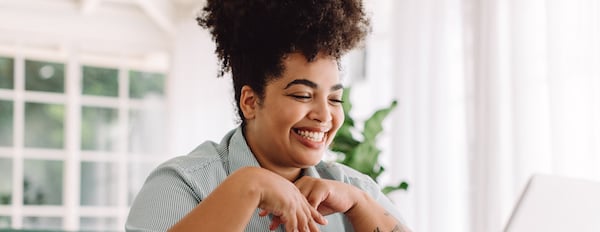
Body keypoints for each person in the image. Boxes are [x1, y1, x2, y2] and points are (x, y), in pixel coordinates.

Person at [126, 0, 411, 231]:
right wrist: (248, 185)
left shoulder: (354, 190)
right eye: (302, 95)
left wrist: (359, 203)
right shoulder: (182, 184)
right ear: (250, 102)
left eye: (335, 98)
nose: (325, 115)